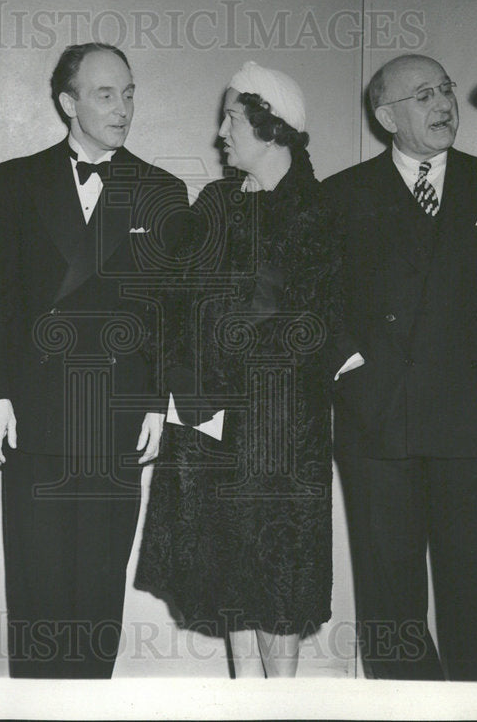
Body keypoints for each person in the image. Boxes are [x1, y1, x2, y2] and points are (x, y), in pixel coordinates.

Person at [0, 42, 189, 678]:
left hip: (116, 412)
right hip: (35, 412)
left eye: (128, 93)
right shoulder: (14, 180)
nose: (122, 107)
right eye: (105, 94)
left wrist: (158, 402)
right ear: (68, 103)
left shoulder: (161, 188)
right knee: (38, 582)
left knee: (98, 585)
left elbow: (167, 311)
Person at [135, 62, 356, 678]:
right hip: (209, 419)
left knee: (280, 579)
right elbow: (175, 302)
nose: (221, 132)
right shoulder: (215, 201)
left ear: (271, 125)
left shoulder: (321, 208)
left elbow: (318, 322)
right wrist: (182, 389)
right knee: (226, 575)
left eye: (232, 117)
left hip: (283, 427)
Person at [322, 54, 477, 680]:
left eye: (445, 90)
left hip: (473, 428)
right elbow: (310, 300)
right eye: (422, 96)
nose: (442, 105)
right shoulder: (339, 195)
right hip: (376, 428)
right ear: (386, 117)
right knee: (391, 609)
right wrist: (351, 369)